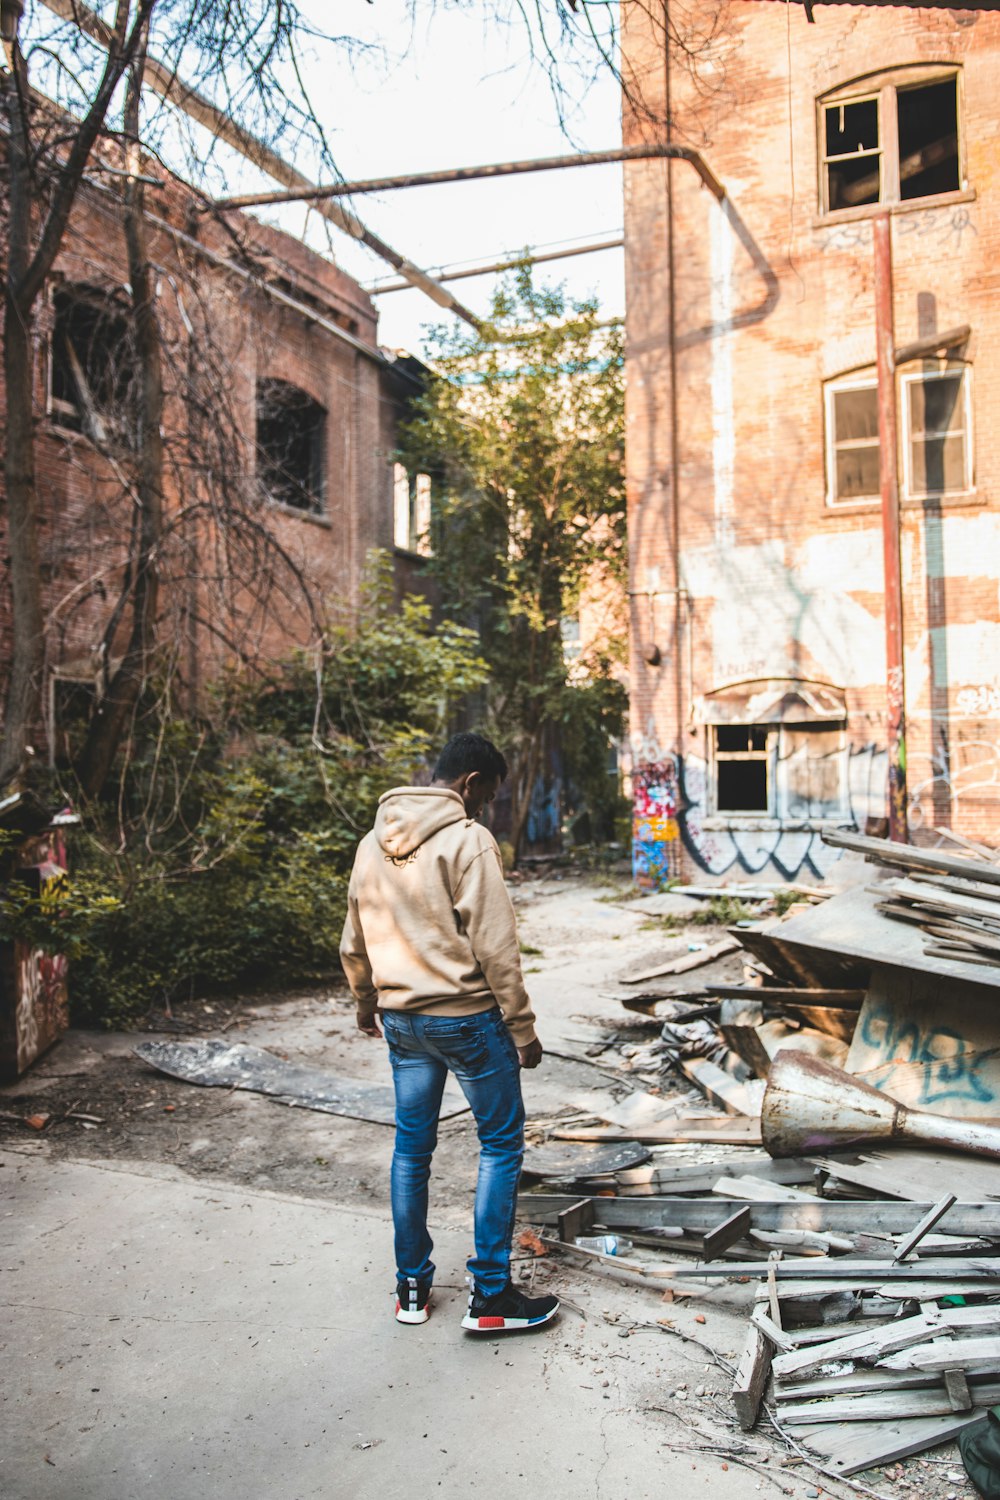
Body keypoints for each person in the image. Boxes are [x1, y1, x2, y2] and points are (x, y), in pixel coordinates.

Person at [340, 732, 560, 1334]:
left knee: (412, 1150)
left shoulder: (370, 844)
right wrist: (522, 1027)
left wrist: (367, 1005)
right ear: (470, 783)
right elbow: (496, 946)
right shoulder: (469, 840)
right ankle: (490, 1296)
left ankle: (411, 1288)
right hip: (467, 1021)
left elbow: (354, 940)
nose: (486, 806)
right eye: (487, 793)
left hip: (403, 1024)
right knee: (500, 1145)